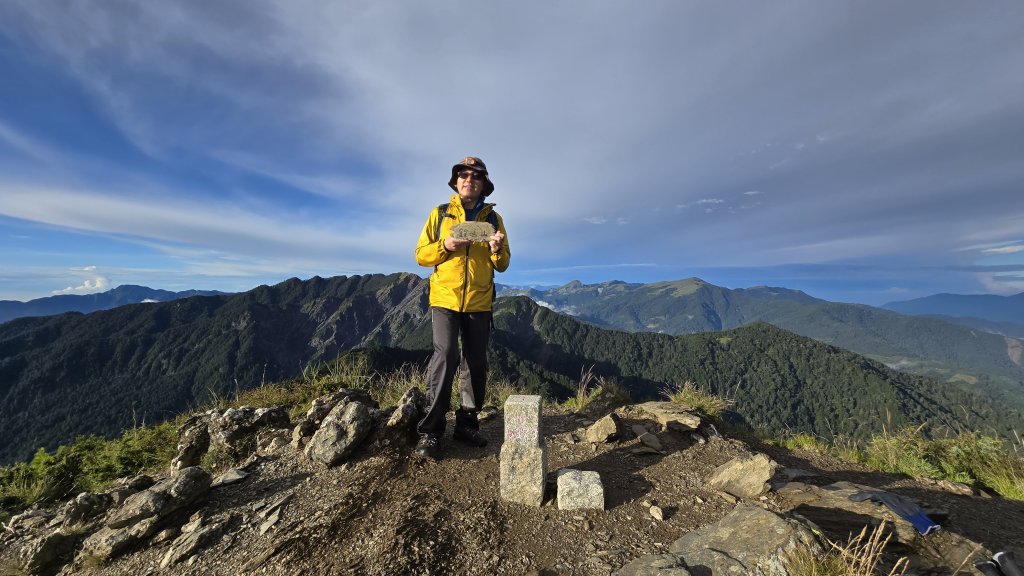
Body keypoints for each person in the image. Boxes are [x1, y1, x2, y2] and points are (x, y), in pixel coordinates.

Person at [413, 156, 510, 459]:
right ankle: (430, 432)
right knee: (446, 356)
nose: (469, 179)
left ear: (484, 185)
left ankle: (467, 424)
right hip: (444, 299)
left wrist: (495, 251)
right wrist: (446, 246)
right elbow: (420, 255)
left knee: (476, 363)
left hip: (479, 301)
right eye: (463, 175)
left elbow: (504, 263)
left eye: (476, 176)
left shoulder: (493, 219)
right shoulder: (440, 214)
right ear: (456, 182)